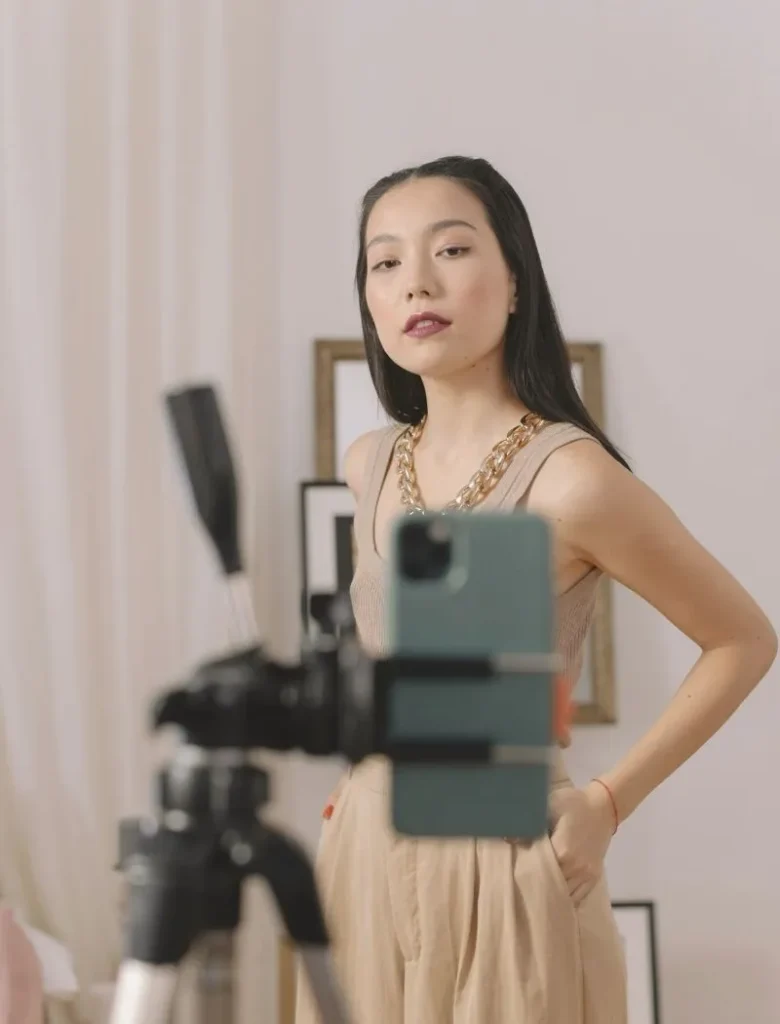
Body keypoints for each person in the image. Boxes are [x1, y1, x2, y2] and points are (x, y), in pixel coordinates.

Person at [294, 155, 777, 1024]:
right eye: (385, 262)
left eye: (451, 249)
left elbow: (743, 640)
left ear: (516, 281)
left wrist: (606, 804)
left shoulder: (572, 480)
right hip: (362, 850)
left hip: (506, 851)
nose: (416, 283)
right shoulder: (370, 464)